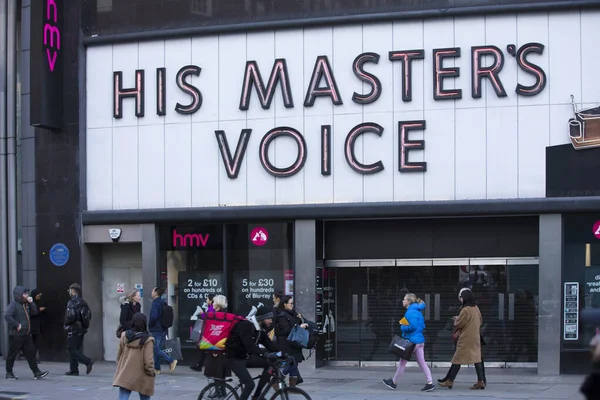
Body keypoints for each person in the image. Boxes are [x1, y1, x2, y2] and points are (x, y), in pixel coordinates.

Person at [382, 293, 435, 392]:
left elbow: (413, 326)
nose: (402, 301)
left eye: (404, 299)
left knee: (402, 362)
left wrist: (403, 326)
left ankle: (394, 382)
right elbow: (422, 326)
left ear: (409, 301)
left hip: (412, 341)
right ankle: (430, 382)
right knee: (422, 363)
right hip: (419, 340)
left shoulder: (410, 312)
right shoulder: (418, 311)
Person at [225, 306, 280, 400]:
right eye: (269, 319)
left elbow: (270, 346)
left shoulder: (259, 330)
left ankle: (256, 396)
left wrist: (283, 354)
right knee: (249, 384)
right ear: (261, 318)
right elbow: (250, 347)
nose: (271, 321)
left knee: (270, 364)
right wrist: (264, 354)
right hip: (234, 359)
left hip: (245, 357)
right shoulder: (246, 325)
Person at [438, 289, 485, 390]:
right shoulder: (475, 308)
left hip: (466, 337)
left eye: (461, 297)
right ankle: (481, 381)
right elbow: (480, 320)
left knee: (457, 358)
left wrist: (456, 319)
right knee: (477, 358)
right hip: (475, 336)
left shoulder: (465, 309)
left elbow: (460, 323)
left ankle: (450, 381)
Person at [4, 286, 49, 380]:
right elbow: (7, 316)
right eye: (25, 294)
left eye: (27, 293)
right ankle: (9, 373)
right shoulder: (14, 304)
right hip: (16, 335)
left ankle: (36, 372)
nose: (27, 295)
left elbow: (35, 312)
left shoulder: (25, 305)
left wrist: (31, 302)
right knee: (12, 354)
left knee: (31, 353)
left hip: (26, 334)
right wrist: (17, 325)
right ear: (19, 295)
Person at [113, 313, 156, 400]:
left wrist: (120, 365)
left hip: (126, 371)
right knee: (145, 396)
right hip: (142, 374)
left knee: (123, 397)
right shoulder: (148, 340)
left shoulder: (125, 336)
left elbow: (119, 354)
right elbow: (148, 360)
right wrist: (151, 372)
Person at [274, 296, 307, 386]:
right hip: (286, 343)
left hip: (293, 342)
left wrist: (300, 319)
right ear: (285, 304)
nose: (292, 305)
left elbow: (295, 323)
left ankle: (293, 384)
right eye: (290, 303)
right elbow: (285, 330)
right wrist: (299, 327)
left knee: (294, 362)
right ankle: (281, 377)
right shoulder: (281, 315)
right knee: (292, 362)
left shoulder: (292, 313)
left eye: (293, 303)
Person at [203, 295, 231, 398]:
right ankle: (221, 390)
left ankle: (219, 390)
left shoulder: (216, 316)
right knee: (219, 371)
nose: (212, 303)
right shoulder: (224, 315)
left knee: (217, 371)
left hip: (216, 347)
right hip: (222, 347)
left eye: (214, 302)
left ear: (218, 303)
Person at [64, 283, 94, 376]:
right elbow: (89, 315)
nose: (69, 292)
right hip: (81, 329)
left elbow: (71, 315)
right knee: (75, 349)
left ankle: (87, 361)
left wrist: (66, 323)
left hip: (73, 329)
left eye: (70, 290)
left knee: (71, 349)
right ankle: (74, 370)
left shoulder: (72, 302)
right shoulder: (83, 302)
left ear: (73, 291)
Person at [148, 287, 177, 374]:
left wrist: (150, 324)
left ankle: (170, 361)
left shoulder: (156, 303)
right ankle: (157, 369)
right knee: (158, 348)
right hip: (163, 328)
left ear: (156, 293)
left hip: (157, 329)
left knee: (155, 349)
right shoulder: (163, 302)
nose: (151, 292)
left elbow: (154, 316)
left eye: (153, 291)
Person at [190, 293, 215, 372]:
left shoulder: (212, 308)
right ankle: (200, 365)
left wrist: (202, 313)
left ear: (211, 300)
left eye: (207, 299)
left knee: (204, 348)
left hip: (209, 330)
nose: (206, 300)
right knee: (203, 349)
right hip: (208, 330)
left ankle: (201, 365)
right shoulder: (210, 307)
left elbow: (208, 317)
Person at [29, 289, 47, 363]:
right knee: (35, 342)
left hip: (38, 325)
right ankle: (32, 358)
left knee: (36, 342)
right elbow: (32, 313)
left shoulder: (37, 302)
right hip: (33, 326)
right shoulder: (30, 303)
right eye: (38, 295)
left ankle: (33, 358)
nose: (39, 297)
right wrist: (39, 310)